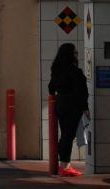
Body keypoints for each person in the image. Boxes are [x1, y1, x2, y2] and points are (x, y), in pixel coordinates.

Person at [48, 42, 89, 177]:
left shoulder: (56, 70)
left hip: (60, 104)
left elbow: (51, 88)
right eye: (75, 52)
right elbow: (82, 91)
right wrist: (85, 108)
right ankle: (64, 166)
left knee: (65, 134)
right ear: (71, 55)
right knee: (68, 135)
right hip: (72, 106)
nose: (76, 54)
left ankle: (65, 164)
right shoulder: (75, 72)